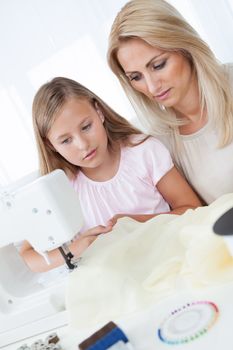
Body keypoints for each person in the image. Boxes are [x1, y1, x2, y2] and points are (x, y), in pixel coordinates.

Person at [20, 76, 201, 273]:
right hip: (116, 280)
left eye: (86, 127)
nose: (83, 144)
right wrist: (74, 249)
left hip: (173, 260)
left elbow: (193, 209)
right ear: (50, 145)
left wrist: (133, 223)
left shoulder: (143, 152)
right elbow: (27, 257)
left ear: (99, 112)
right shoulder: (61, 189)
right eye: (66, 140)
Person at [107, 0, 233, 205]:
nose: (152, 87)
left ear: (184, 46)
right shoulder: (161, 143)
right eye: (136, 77)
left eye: (158, 65)